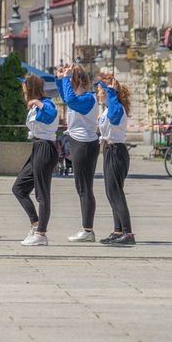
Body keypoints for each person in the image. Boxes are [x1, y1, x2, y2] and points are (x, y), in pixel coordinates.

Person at [12, 74, 59, 246]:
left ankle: (41, 234)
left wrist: (37, 103)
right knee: (18, 188)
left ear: (32, 90)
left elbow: (51, 114)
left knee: (42, 194)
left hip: (46, 148)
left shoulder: (47, 103)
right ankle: (35, 223)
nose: (24, 94)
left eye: (25, 91)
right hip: (37, 147)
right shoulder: (34, 107)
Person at [56, 64, 100, 243]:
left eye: (71, 79)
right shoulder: (77, 97)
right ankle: (86, 229)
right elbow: (65, 97)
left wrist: (66, 79)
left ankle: (87, 230)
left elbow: (70, 100)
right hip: (78, 143)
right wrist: (61, 79)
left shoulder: (89, 98)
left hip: (85, 144)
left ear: (78, 80)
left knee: (85, 188)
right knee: (81, 187)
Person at [95, 74, 135, 245]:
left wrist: (111, 92)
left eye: (100, 90)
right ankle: (118, 230)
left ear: (107, 91)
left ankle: (128, 232)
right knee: (110, 192)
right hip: (109, 150)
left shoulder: (116, 107)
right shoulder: (107, 108)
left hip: (116, 151)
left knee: (115, 192)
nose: (98, 94)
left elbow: (115, 117)